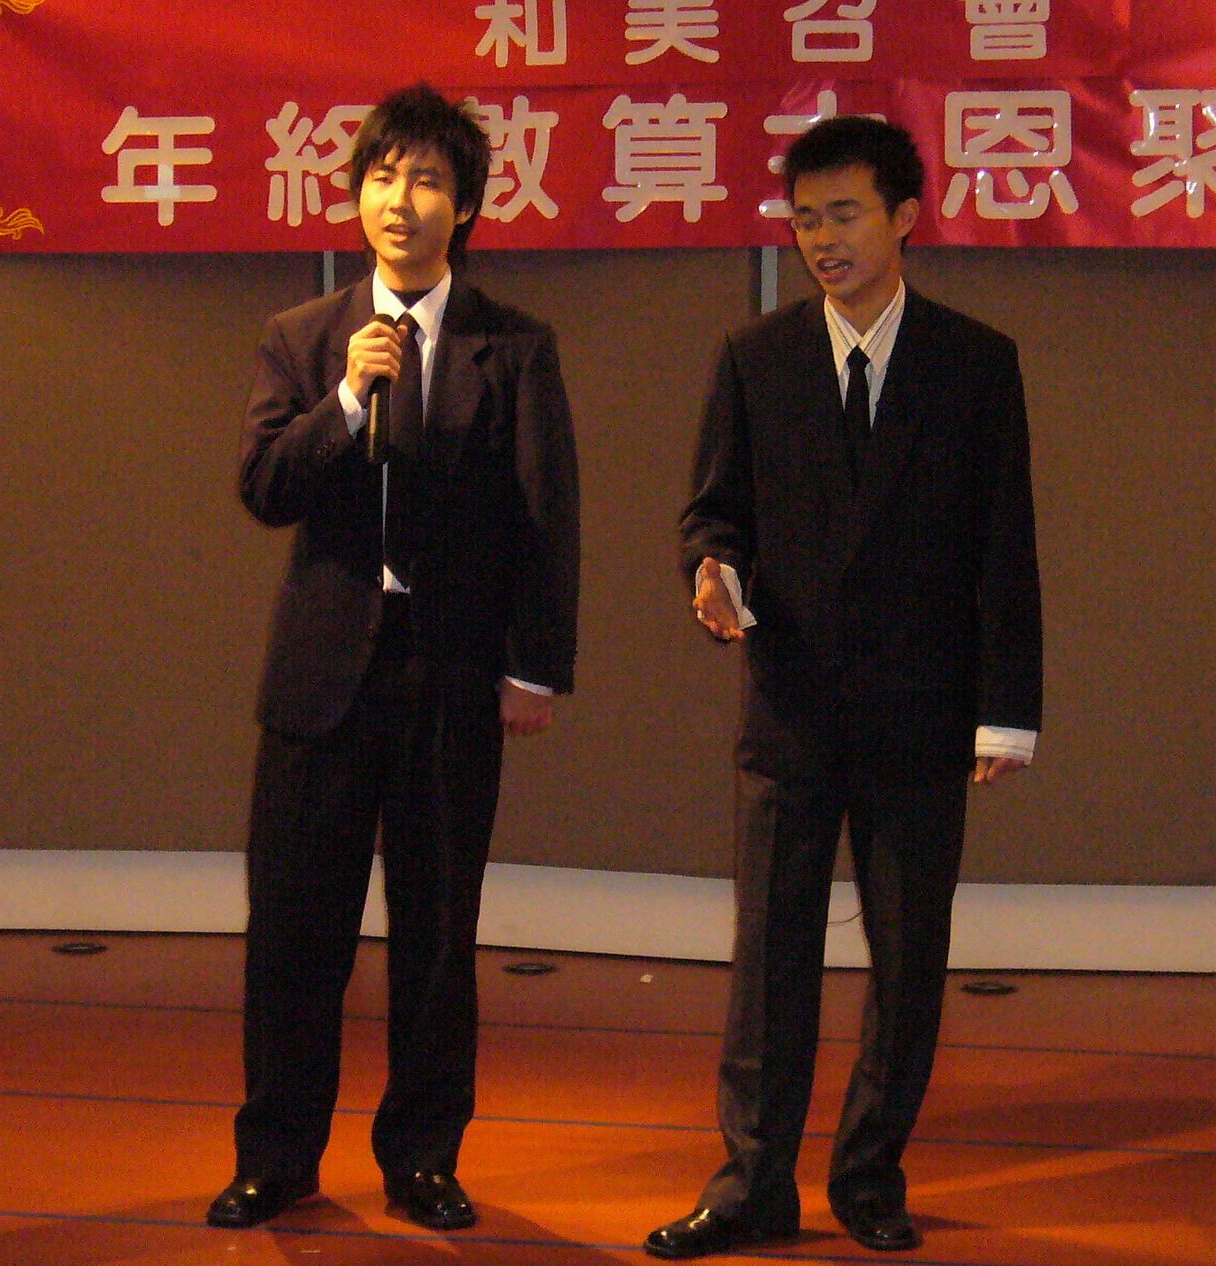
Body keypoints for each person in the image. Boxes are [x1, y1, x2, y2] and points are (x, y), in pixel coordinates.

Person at [644, 115, 1042, 1259]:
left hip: (922, 711)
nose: (821, 238)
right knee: (768, 958)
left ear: (904, 218)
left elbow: (1003, 549)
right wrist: (711, 569)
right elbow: (712, 513)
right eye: (805, 217)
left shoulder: (975, 362)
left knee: (907, 959)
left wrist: (1005, 713)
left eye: (845, 214)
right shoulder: (754, 357)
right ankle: (750, 1184)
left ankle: (869, 1175)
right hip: (789, 706)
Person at [209, 84, 579, 1231]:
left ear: (464, 206)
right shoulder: (304, 338)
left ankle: (421, 1157)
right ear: (356, 193)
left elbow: (546, 515)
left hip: (450, 679)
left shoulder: (512, 347)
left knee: (436, 935)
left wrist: (534, 667)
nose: (400, 200)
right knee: (293, 930)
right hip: (320, 681)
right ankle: (277, 1156)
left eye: (426, 180)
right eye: (382, 176)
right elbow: (264, 488)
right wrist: (343, 400)